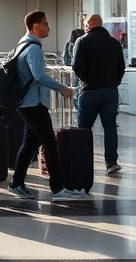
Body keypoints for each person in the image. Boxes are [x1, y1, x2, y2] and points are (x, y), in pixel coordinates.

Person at [7, 11, 85, 201]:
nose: (48, 27)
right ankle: (58, 189)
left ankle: (17, 183)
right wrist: (62, 88)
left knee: (30, 143)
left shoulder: (22, 44)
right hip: (33, 104)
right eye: (46, 24)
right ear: (36, 26)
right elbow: (39, 76)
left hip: (25, 103)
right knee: (50, 144)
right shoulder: (33, 48)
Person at [71, 14, 125, 174]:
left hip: (90, 91)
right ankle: (111, 162)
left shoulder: (82, 41)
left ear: (88, 25)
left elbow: (76, 66)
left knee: (84, 128)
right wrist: (114, 82)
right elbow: (121, 67)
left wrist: (87, 81)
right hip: (110, 91)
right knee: (110, 126)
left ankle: (82, 161)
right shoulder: (114, 43)